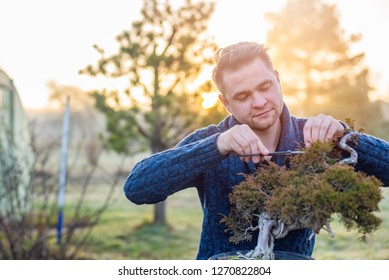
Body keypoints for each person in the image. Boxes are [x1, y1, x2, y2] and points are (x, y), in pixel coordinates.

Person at [124, 42, 389, 260]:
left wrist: (346, 138)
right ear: (226, 103)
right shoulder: (210, 141)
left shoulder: (315, 137)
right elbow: (137, 188)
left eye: (265, 87)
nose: (260, 102)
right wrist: (217, 146)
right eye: (243, 96)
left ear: (277, 79)